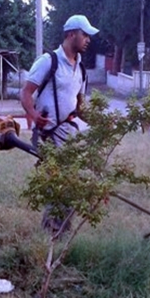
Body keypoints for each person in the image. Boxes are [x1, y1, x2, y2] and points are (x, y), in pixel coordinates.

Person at [20, 14, 99, 235]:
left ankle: (60, 232)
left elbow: (80, 107)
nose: (88, 40)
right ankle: (52, 233)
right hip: (47, 134)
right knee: (59, 182)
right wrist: (34, 115)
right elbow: (26, 93)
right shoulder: (48, 61)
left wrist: (102, 122)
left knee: (71, 183)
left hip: (69, 133)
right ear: (70, 34)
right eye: (85, 34)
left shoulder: (81, 69)